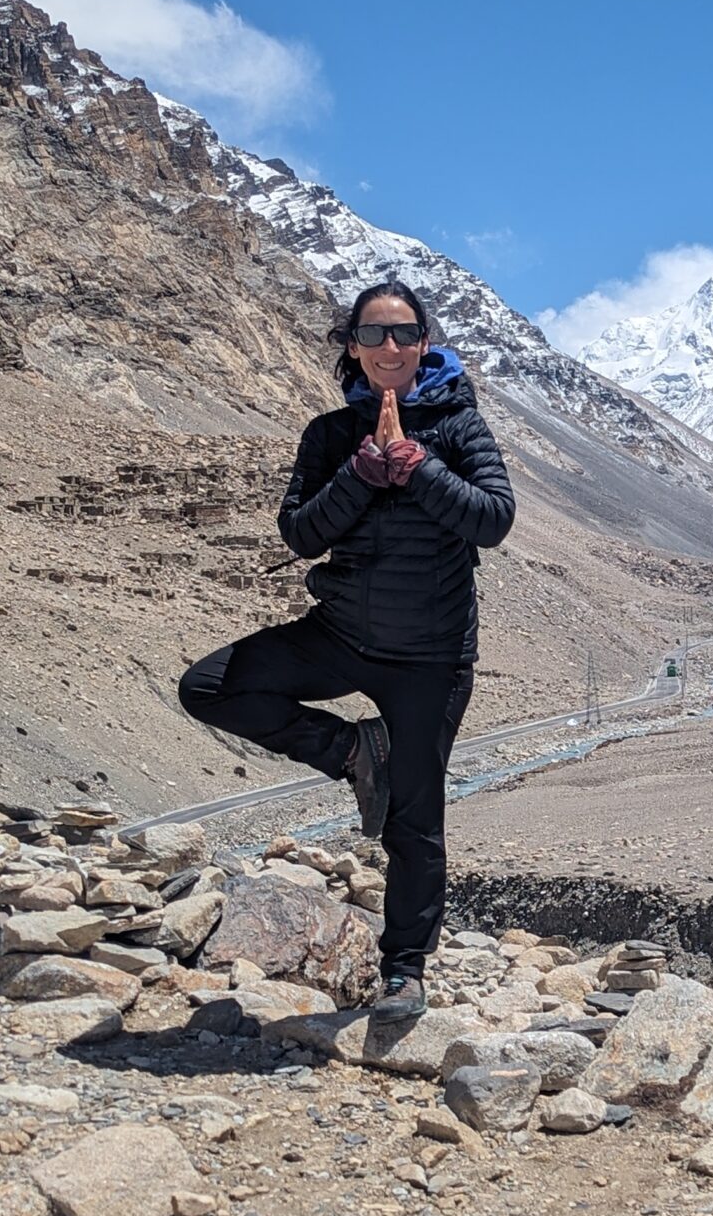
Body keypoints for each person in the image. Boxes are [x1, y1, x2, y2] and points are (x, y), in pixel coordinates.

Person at [177, 280, 514, 1022]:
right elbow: (301, 533)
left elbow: (493, 520)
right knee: (210, 686)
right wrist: (362, 471)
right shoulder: (329, 434)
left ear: (426, 343)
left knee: (414, 823)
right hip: (340, 636)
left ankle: (404, 971)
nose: (390, 347)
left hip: (430, 655)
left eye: (404, 334)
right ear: (353, 347)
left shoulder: (461, 428)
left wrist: (416, 464)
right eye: (374, 334)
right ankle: (356, 753)